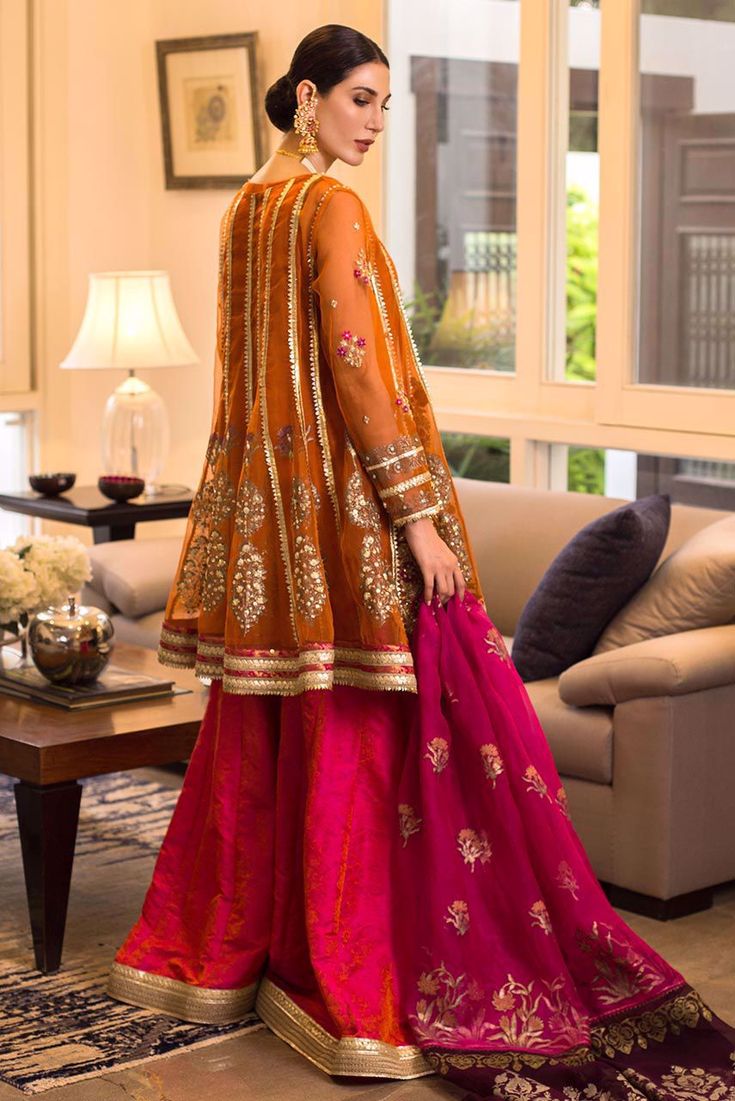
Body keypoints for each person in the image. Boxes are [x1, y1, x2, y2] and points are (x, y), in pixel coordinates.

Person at [106, 24, 735, 1100]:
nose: (378, 124)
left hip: (269, 527)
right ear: (307, 96)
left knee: (274, 733)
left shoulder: (245, 213)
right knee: (359, 736)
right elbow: (358, 377)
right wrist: (418, 517)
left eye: (388, 104)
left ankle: (240, 960)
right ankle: (351, 979)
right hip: (348, 523)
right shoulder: (328, 208)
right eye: (362, 100)